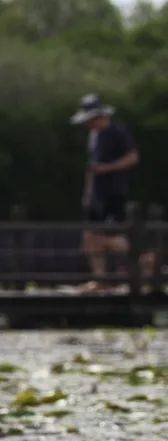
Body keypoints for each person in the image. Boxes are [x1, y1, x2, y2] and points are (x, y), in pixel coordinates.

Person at [71, 94, 141, 292]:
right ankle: (99, 279)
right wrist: (87, 193)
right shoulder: (93, 137)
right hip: (96, 195)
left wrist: (108, 168)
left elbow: (133, 157)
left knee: (111, 237)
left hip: (114, 193)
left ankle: (143, 262)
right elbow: (91, 167)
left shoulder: (118, 132)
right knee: (90, 236)